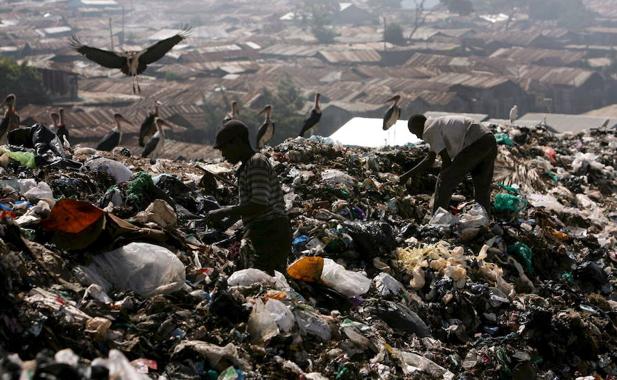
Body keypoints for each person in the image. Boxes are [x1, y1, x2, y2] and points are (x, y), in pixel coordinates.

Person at [208, 120, 291, 275]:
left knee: (264, 282)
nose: (223, 155)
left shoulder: (256, 163)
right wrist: (225, 223)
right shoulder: (247, 166)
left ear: (237, 142)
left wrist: (222, 212)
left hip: (270, 231)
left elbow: (259, 204)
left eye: (224, 148)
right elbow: (248, 207)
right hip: (263, 230)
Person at [400, 114, 497, 214]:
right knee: (482, 187)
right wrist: (405, 176)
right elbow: (429, 159)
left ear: (419, 124)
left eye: (415, 132)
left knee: (444, 181)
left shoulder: (429, 130)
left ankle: (437, 219)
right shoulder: (436, 124)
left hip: (474, 141)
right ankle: (483, 220)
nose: (417, 137)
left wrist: (442, 176)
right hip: (488, 139)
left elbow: (446, 161)